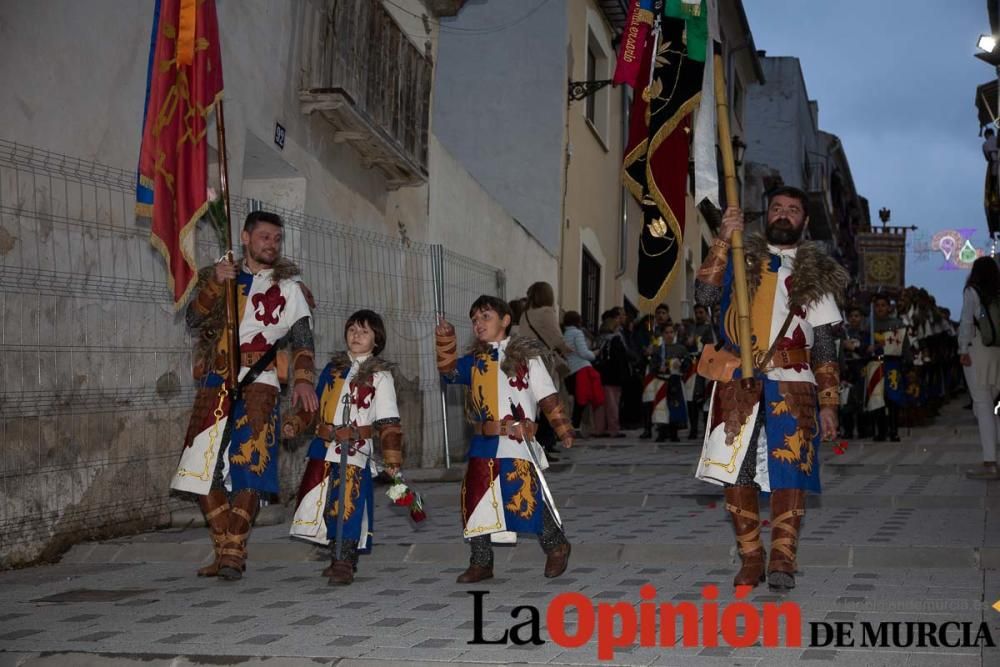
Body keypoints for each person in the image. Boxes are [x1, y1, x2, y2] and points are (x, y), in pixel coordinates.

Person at [694, 186, 847, 591]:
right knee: (736, 471)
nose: (783, 215)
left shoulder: (816, 273)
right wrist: (724, 238)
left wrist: (829, 402)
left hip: (794, 385)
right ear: (768, 215)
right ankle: (751, 558)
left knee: (789, 472)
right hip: (739, 382)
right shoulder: (742, 257)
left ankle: (783, 559)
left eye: (793, 210)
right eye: (777, 208)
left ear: (804, 221)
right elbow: (705, 294)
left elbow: (826, 343)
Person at [173, 210, 317, 581]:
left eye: (276, 238)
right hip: (215, 379)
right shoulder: (220, 274)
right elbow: (193, 319)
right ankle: (225, 549)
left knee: (250, 463)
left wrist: (302, 380)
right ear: (246, 237)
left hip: (261, 381)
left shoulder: (289, 286)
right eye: (264, 237)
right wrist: (215, 285)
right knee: (199, 467)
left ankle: (233, 550)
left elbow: (302, 337)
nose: (271, 244)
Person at [435, 296, 574, 582]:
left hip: (517, 440)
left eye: (485, 317)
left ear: (505, 320)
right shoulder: (474, 361)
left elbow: (546, 395)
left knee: (522, 495)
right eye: (474, 320)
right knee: (475, 500)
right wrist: (445, 339)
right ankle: (481, 562)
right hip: (483, 442)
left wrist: (563, 428)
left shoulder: (527, 357)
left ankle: (556, 544)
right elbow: (448, 373)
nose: (478, 324)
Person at [284, 310, 403, 584]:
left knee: (347, 504)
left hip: (355, 450)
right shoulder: (333, 370)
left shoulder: (381, 376)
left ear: (377, 339)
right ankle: (334, 552)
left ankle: (344, 561)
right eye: (352, 329)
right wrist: (295, 422)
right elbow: (312, 406)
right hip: (324, 448)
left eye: (364, 331)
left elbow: (389, 421)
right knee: (323, 502)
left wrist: (393, 461)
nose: (356, 335)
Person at [520, 282, 572, 458]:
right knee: (548, 402)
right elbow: (556, 337)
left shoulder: (525, 314)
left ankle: (539, 444)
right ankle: (544, 445)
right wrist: (565, 348)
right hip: (543, 361)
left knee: (534, 405)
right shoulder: (547, 312)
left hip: (527, 359)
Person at [959, 257, 1000, 480]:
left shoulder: (972, 291)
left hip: (978, 351)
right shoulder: (998, 291)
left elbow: (966, 321)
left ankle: (990, 462)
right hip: (998, 352)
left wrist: (962, 349)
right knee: (986, 405)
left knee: (983, 405)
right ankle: (991, 455)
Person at [865, 295, 909, 442]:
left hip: (892, 364)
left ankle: (894, 430)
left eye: (883, 305)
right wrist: (867, 348)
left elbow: (904, 345)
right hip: (875, 363)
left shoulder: (897, 324)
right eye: (877, 305)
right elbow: (861, 344)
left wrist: (907, 362)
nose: (880, 308)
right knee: (877, 398)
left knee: (893, 398)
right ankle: (881, 431)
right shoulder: (868, 324)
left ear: (889, 307)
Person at [562, 310, 602, 435]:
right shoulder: (577, 333)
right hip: (581, 369)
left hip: (570, 370)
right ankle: (577, 427)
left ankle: (575, 426)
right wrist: (594, 354)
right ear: (578, 321)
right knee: (582, 401)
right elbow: (583, 353)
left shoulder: (564, 334)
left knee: (576, 400)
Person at [594, 309, 631, 438]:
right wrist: (625, 376)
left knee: (601, 404)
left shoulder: (600, 340)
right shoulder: (615, 340)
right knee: (613, 404)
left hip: (600, 375)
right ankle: (613, 429)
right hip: (613, 377)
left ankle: (599, 429)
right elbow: (621, 360)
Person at [638, 303, 672, 439]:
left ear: (668, 315)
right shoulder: (650, 330)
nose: (660, 316)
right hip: (651, 369)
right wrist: (646, 350)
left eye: (663, 313)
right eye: (658, 313)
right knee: (648, 398)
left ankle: (664, 428)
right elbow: (642, 344)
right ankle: (647, 428)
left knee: (664, 399)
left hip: (666, 369)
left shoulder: (672, 329)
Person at [653, 322, 690, 443]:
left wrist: (682, 364)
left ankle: (674, 433)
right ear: (662, 334)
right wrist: (658, 367)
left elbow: (688, 363)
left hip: (675, 381)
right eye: (666, 332)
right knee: (662, 407)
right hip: (662, 381)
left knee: (675, 407)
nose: (669, 335)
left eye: (671, 332)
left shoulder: (680, 348)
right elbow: (652, 364)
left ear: (675, 333)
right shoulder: (658, 349)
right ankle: (662, 432)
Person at [685, 304, 716, 440]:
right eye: (696, 312)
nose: (698, 315)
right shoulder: (690, 329)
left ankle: (706, 430)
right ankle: (693, 429)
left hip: (704, 366)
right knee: (691, 399)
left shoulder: (710, 329)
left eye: (701, 312)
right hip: (692, 368)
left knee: (705, 398)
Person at [839, 306, 870, 440]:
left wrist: (854, 347)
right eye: (851, 316)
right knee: (846, 401)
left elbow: (867, 350)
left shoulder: (865, 334)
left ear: (861, 318)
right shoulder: (843, 334)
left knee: (861, 400)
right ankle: (848, 430)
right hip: (847, 369)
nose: (854, 318)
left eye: (857, 316)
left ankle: (863, 430)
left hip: (861, 368)